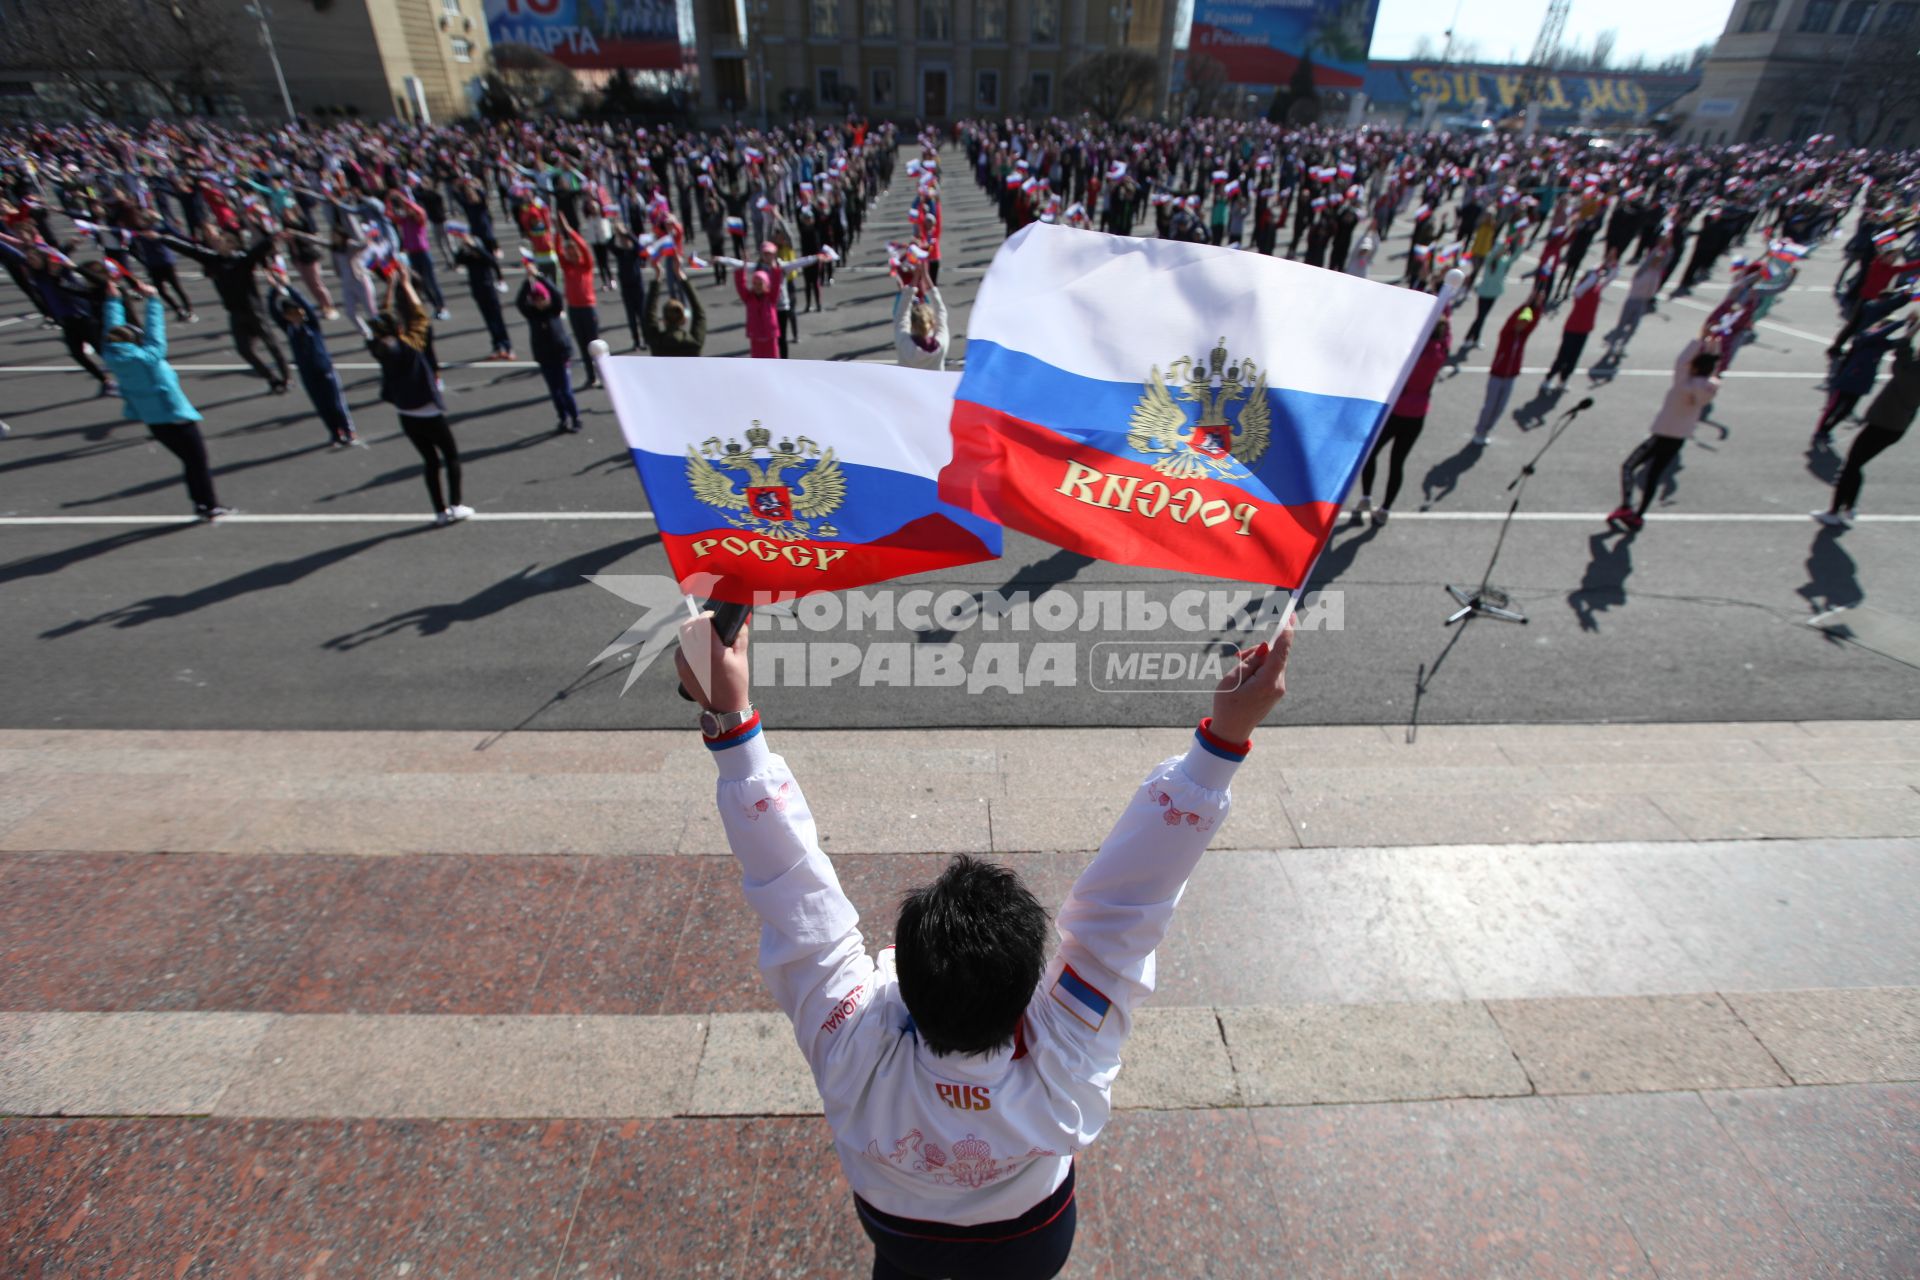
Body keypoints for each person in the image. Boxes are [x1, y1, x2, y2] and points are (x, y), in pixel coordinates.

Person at [672, 604, 1296, 1280]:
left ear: (901, 980)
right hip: (1030, 1235)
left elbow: (793, 893)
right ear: (1035, 987)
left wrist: (731, 725)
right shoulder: (1064, 1049)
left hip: (897, 1228)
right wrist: (1225, 739)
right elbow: (1130, 902)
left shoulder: (851, 1036)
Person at [98, 279, 227, 520]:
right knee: (197, 461)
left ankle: (202, 503)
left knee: (190, 462)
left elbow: (111, 330)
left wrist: (113, 300)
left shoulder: (112, 357)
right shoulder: (148, 358)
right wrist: (154, 299)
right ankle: (208, 505)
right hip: (175, 415)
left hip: (153, 420)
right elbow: (155, 331)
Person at [366, 270, 470, 524]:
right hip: (429, 412)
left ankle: (439, 511)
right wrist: (405, 285)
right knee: (451, 457)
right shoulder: (410, 346)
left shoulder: (379, 349)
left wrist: (391, 289)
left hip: (406, 414)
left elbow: (382, 319)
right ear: (399, 328)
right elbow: (419, 316)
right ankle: (456, 505)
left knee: (430, 462)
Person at [1609, 332, 1722, 532]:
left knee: (1628, 466)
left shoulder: (1683, 384)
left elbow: (1681, 360)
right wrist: (1714, 350)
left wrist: (1700, 341)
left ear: (1695, 367)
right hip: (1678, 438)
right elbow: (1712, 370)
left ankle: (1626, 506)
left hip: (1662, 433)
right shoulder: (1708, 389)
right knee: (1654, 475)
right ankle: (1639, 514)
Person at [1817, 320, 1919, 526]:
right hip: (1894, 426)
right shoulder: (1912, 371)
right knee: (1856, 464)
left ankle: (1835, 511)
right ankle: (1849, 507)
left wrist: (1912, 330)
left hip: (1883, 424)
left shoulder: (1911, 374)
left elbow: (1902, 355)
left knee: (1851, 465)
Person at [1354, 315, 1449, 526]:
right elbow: (1446, 337)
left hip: (1396, 413)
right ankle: (1385, 508)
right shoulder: (1440, 352)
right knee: (1397, 463)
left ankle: (1366, 497)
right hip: (1417, 416)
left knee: (1371, 453)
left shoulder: (1413, 354)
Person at [266, 275, 359, 447]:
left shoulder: (312, 326)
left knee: (337, 403)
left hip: (325, 370)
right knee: (322, 406)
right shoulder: (290, 329)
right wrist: (273, 290)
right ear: (287, 316)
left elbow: (307, 307)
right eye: (293, 314)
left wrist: (288, 287)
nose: (299, 315)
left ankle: (348, 430)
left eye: (299, 312)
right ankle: (335, 433)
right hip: (308, 373)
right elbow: (272, 311)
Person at [1472, 282, 1546, 444]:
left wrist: (1537, 306)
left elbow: (1533, 323)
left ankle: (1488, 430)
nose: (1523, 323)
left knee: (1500, 408)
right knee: (1489, 406)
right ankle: (1479, 430)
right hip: (1497, 375)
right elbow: (1514, 318)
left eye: (1525, 322)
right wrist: (1526, 304)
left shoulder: (1523, 336)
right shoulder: (1506, 334)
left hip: (1510, 376)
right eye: (1521, 321)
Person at [1815, 316, 1903, 442]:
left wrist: (1912, 327)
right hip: (1849, 377)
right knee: (1834, 406)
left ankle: (1827, 429)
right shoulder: (1865, 336)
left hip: (1862, 381)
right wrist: (1901, 322)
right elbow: (1876, 336)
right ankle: (1820, 429)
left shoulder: (1882, 343)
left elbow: (1901, 343)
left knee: (1846, 410)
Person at [518, 271, 581, 434]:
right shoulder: (532, 315)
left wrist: (540, 278)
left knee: (566, 390)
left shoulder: (554, 310)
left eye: (542, 298)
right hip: (545, 358)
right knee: (555, 392)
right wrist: (527, 282)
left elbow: (557, 294)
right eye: (536, 299)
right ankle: (563, 418)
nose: (540, 302)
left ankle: (575, 417)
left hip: (560, 356)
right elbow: (519, 302)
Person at [1544, 253, 1617, 388]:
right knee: (1562, 356)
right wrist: (1597, 271)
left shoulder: (1596, 289)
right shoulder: (1581, 291)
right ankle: (1548, 379)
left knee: (1573, 358)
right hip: (1572, 327)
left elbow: (1612, 276)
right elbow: (1589, 281)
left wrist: (1610, 263)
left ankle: (1563, 380)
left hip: (1585, 328)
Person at [555, 213, 603, 388]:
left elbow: (584, 248)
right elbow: (557, 251)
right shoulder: (567, 267)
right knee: (583, 346)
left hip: (588, 308)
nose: (571, 254)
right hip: (574, 309)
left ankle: (603, 375)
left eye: (573, 251)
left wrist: (569, 231)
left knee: (595, 345)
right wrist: (558, 233)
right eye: (568, 252)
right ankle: (591, 376)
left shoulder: (586, 265)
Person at [453, 232, 514, 361]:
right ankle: (497, 346)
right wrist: (463, 246)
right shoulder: (469, 259)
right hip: (478, 291)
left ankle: (507, 346)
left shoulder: (483, 257)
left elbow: (491, 260)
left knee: (498, 319)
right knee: (489, 320)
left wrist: (475, 247)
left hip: (489, 290)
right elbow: (457, 259)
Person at [641, 255, 706, 357]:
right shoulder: (694, 343)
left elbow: (649, 314)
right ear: (684, 320)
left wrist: (658, 275)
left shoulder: (656, 342)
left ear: (664, 321)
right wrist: (680, 274)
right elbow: (700, 313)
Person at [893, 260, 948, 371]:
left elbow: (901, 314)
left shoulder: (904, 343)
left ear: (911, 323)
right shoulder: (940, 345)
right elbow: (941, 312)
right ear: (932, 323)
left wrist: (915, 279)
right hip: (933, 388)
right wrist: (926, 276)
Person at [1463, 239, 1513, 349]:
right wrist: (1500, 247)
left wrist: (1519, 242)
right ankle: (1470, 338)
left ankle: (1474, 338)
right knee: (1480, 316)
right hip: (1484, 293)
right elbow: (1491, 254)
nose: (1504, 250)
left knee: (1482, 317)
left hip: (1494, 293)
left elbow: (1514, 257)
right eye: (1503, 248)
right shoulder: (1490, 260)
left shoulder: (1504, 261)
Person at [736, 248, 782, 359]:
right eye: (755, 283)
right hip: (755, 337)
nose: (757, 286)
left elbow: (776, 283)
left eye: (760, 283)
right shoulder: (748, 297)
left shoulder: (771, 297)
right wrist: (744, 264)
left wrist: (773, 266)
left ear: (766, 284)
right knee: (757, 364)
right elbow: (740, 284)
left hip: (770, 337)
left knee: (773, 363)